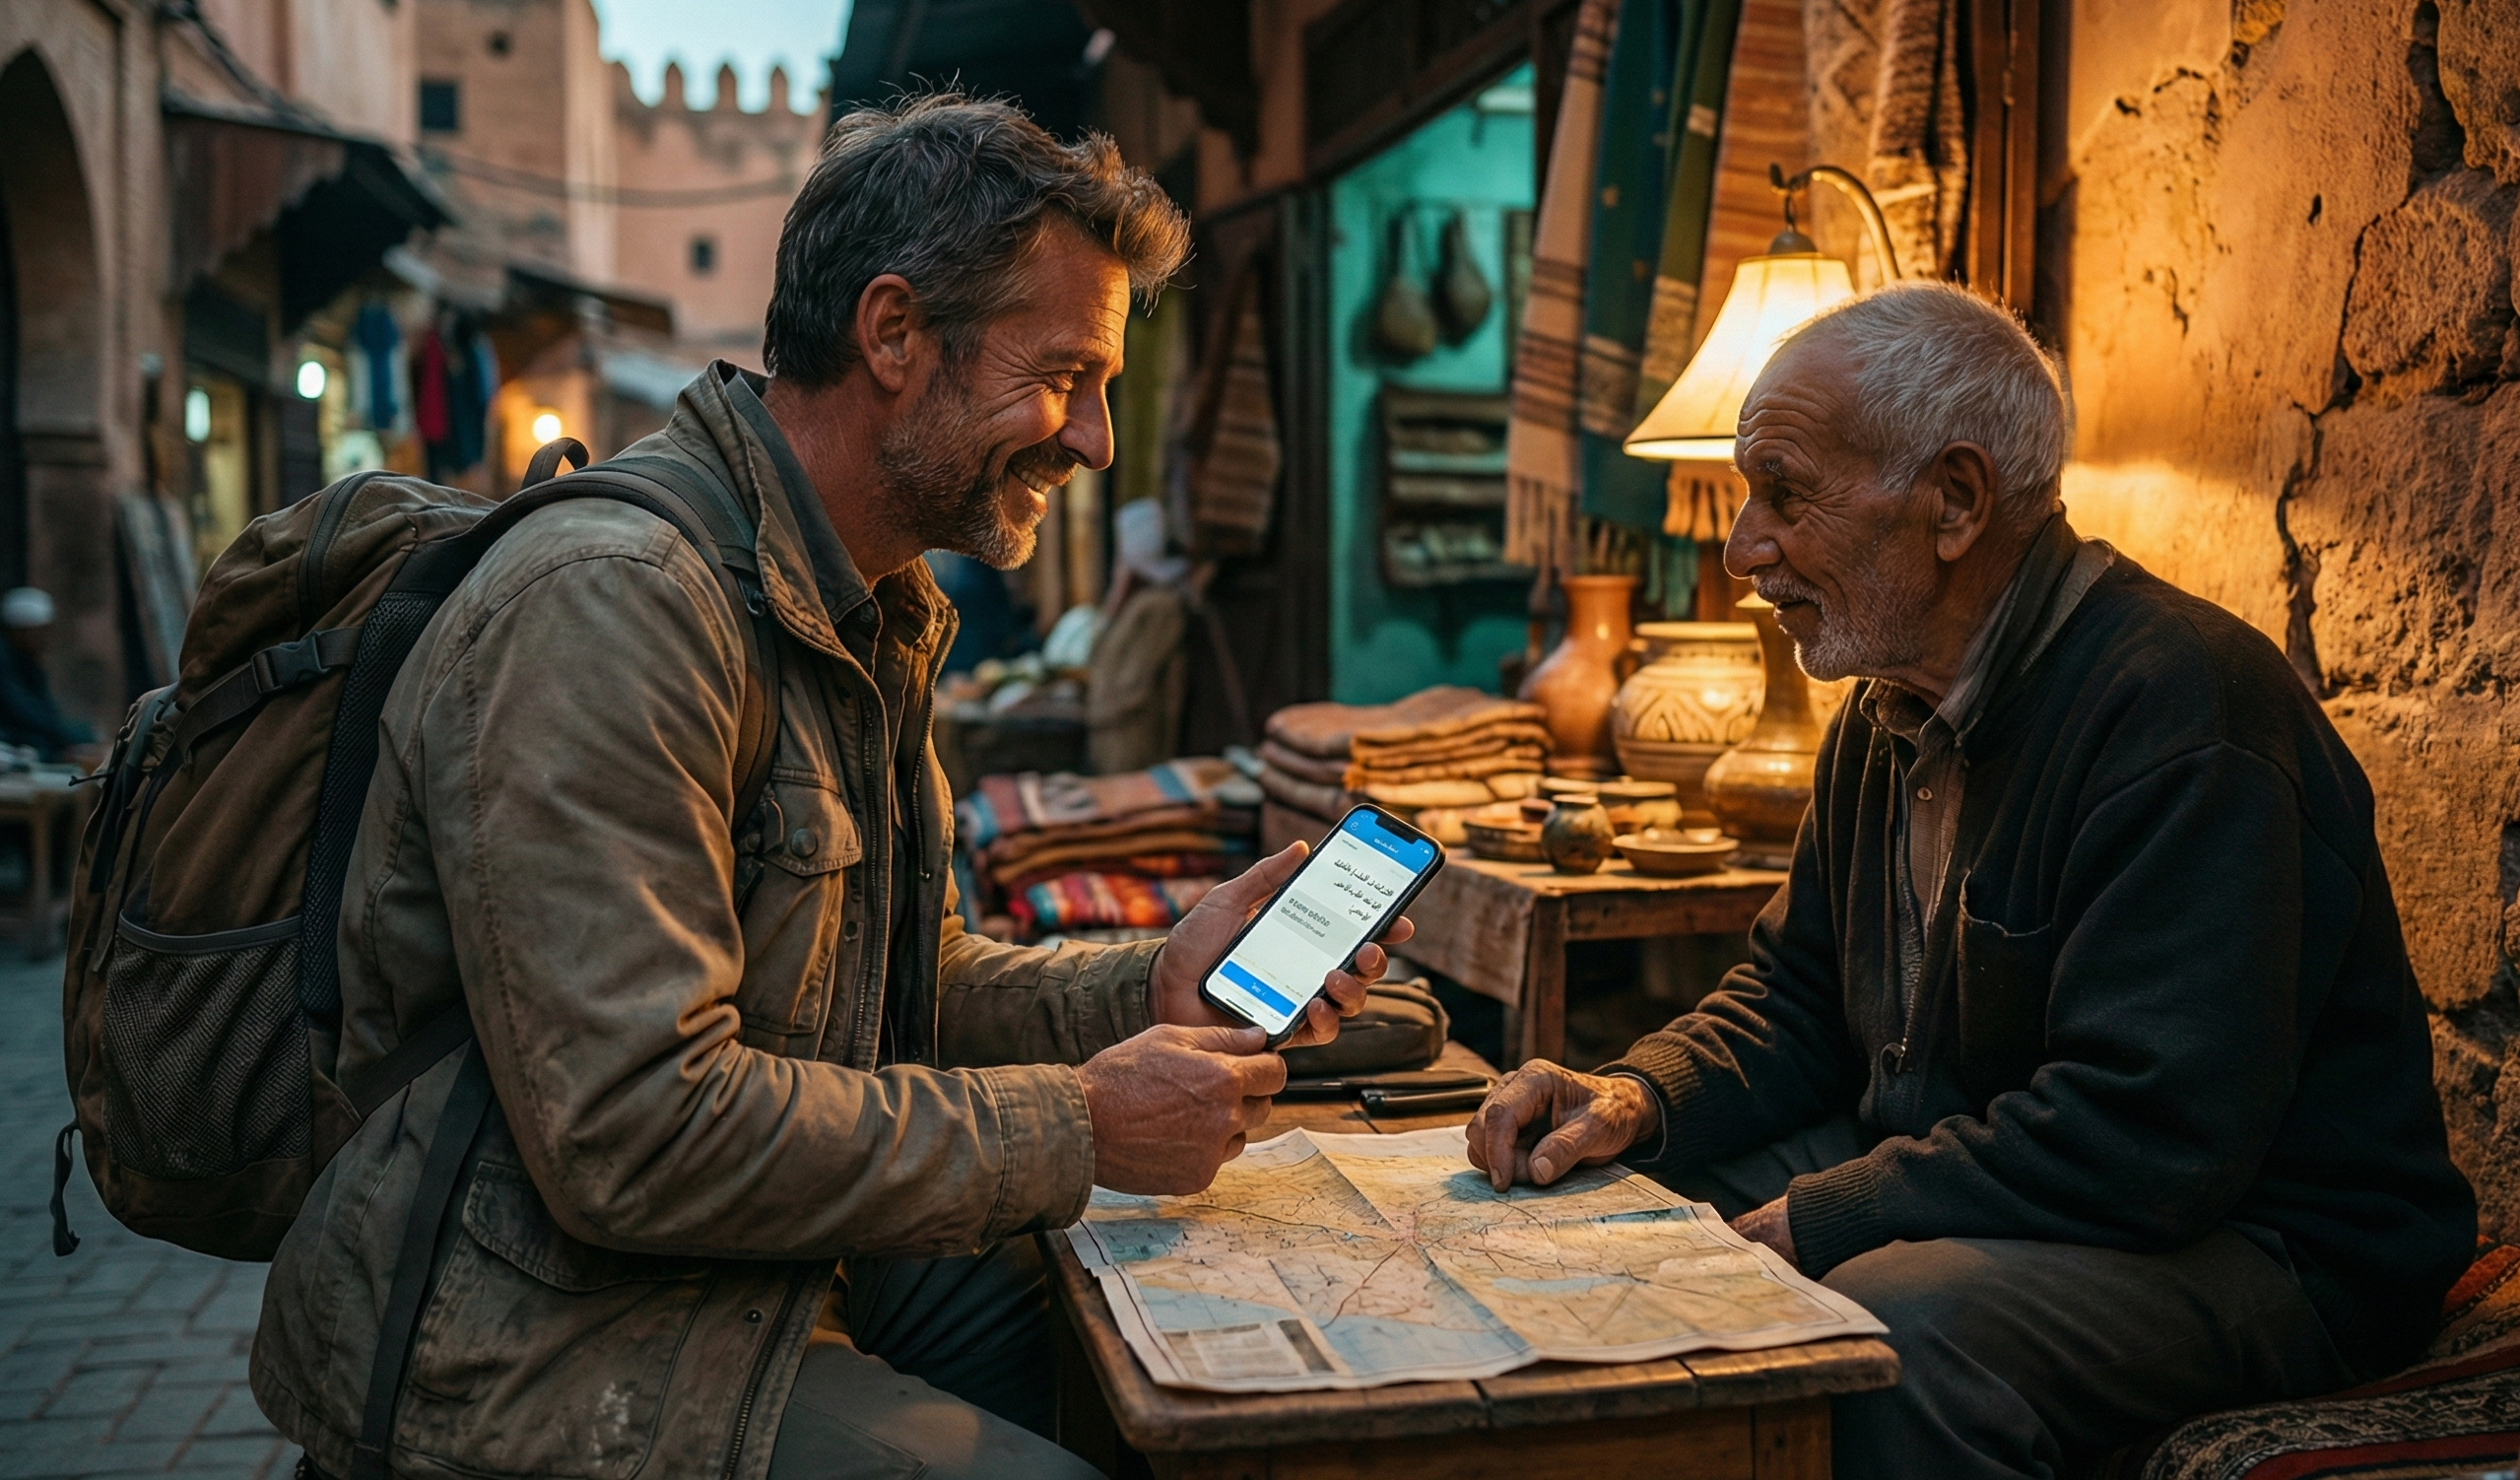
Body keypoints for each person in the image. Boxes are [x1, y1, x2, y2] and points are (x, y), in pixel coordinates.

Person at [251, 95, 1412, 1480]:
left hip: (759, 1261)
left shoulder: (857, 598)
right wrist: (1083, 1122)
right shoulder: (614, 610)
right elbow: (638, 1130)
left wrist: (1148, 986)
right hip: (537, 1341)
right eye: (1063, 376)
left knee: (1186, 1350)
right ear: (893, 334)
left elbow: (899, 990)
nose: (1096, 441)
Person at [1466, 281, 2475, 1479]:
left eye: (1784, 494)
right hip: (1991, 1161)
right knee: (1588, 1188)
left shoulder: (2181, 707)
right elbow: (1793, 1000)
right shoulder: (1885, 702)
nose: (1742, 548)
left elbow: (2145, 1137)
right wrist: (1631, 1094)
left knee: (1897, 1325)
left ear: (1952, 499)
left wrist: (1825, 1216)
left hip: (2265, 1240)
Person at [0, 587, 100, 769]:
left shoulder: (28, 662)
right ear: (19, 630)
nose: (46, 638)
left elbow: (45, 711)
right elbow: (22, 713)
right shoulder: (4, 661)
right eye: (39, 632)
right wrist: (69, 736)